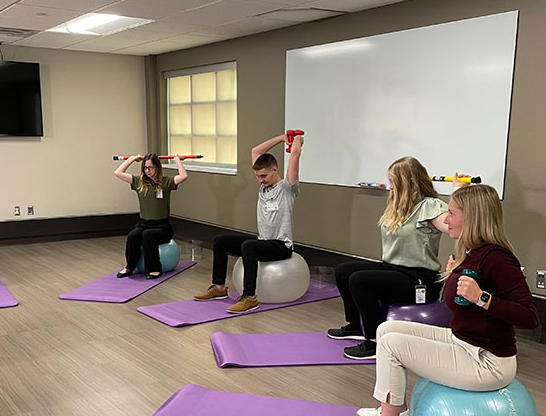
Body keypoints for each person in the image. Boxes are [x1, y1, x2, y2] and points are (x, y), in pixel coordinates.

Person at [344, 183, 538, 416]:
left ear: (473, 218)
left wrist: (483, 298)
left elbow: (530, 317)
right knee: (387, 329)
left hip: (487, 362)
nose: (446, 220)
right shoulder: (473, 252)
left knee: (390, 346)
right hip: (464, 341)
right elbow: (457, 305)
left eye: (452, 213)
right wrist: (454, 274)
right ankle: (396, 410)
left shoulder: (498, 259)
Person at [326, 158, 461, 360]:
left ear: (407, 182)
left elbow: (452, 226)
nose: (390, 186)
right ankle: (356, 326)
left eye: (393, 181)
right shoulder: (399, 206)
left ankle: (374, 342)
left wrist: (458, 194)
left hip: (420, 279)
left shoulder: (430, 206)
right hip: (394, 269)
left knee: (360, 281)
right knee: (344, 271)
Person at [193, 134, 303, 314]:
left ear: (275, 170)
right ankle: (219, 288)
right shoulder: (263, 186)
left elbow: (296, 153)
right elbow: (256, 151)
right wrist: (283, 138)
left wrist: (297, 139)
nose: (260, 179)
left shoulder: (287, 188)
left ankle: (250, 298)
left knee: (248, 246)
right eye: (258, 176)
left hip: (281, 245)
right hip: (263, 241)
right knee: (220, 240)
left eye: (263, 175)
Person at [114, 153, 188, 278]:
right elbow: (118, 172)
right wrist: (132, 159)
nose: (148, 171)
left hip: (162, 226)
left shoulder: (166, 182)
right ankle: (129, 267)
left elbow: (184, 176)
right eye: (145, 168)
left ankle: (155, 269)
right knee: (133, 236)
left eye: (151, 167)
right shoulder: (138, 182)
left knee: (147, 235)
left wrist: (177, 160)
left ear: (158, 167)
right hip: (144, 224)